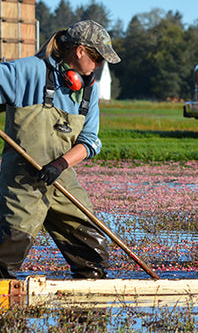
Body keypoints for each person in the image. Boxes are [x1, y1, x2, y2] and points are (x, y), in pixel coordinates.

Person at [0, 20, 121, 279]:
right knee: (5, 256)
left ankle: (84, 311)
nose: (98, 66)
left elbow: (89, 140)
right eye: (97, 58)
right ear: (80, 51)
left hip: (61, 177)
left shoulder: (89, 91)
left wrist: (59, 165)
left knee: (94, 255)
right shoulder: (27, 72)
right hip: (23, 180)